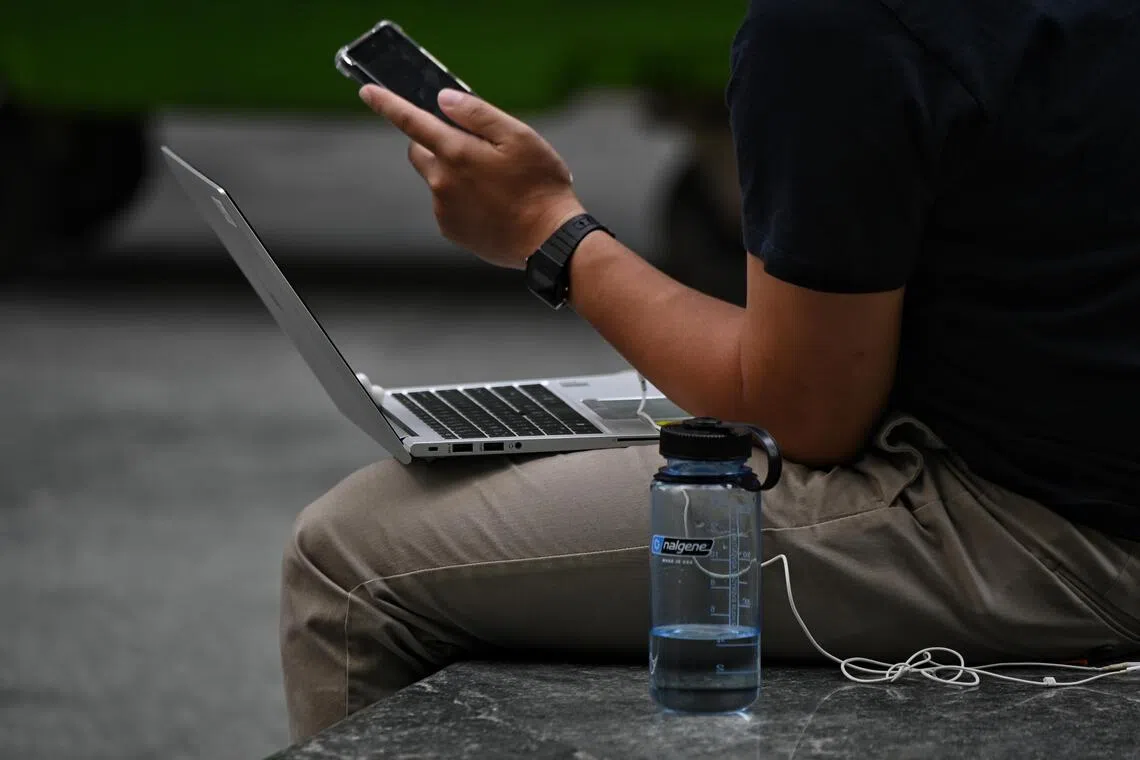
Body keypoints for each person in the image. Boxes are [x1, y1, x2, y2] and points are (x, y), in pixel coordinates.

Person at [280, 0, 1140, 739]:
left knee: (353, 557)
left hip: (1062, 531)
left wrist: (547, 230)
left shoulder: (840, 25)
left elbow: (799, 417)